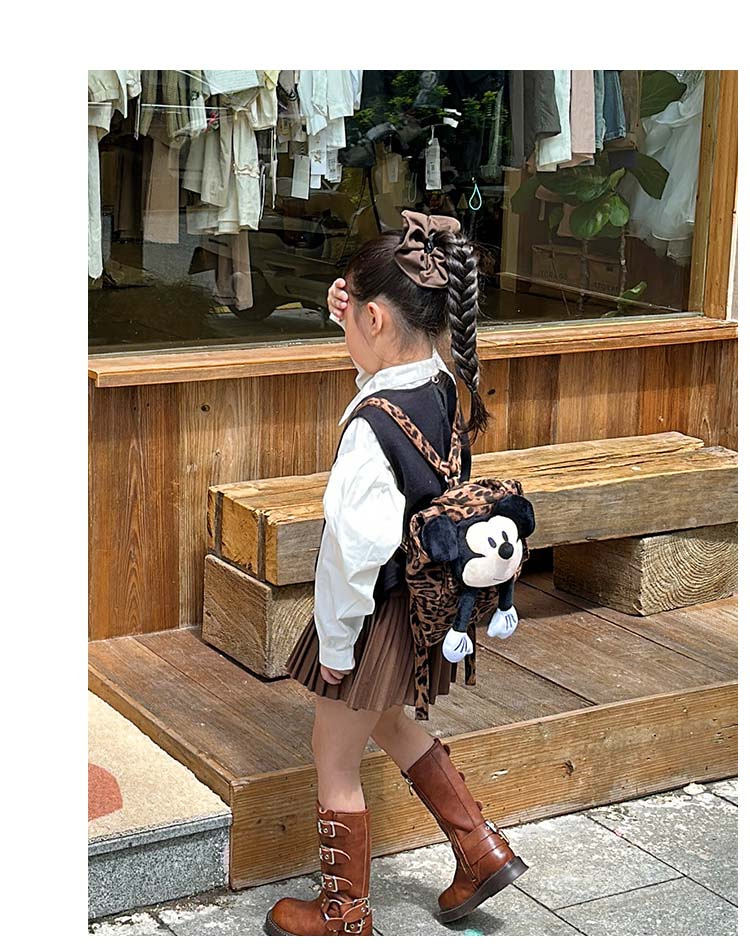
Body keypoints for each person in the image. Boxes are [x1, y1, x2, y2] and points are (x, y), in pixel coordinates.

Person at [265, 210, 528, 937]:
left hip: (372, 613)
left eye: (354, 317)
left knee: (334, 754)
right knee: (386, 718)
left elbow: (353, 554)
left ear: (377, 318)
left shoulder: (370, 429)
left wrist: (336, 645)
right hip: (423, 606)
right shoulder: (440, 384)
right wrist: (356, 317)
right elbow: (387, 370)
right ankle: (480, 848)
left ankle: (343, 914)